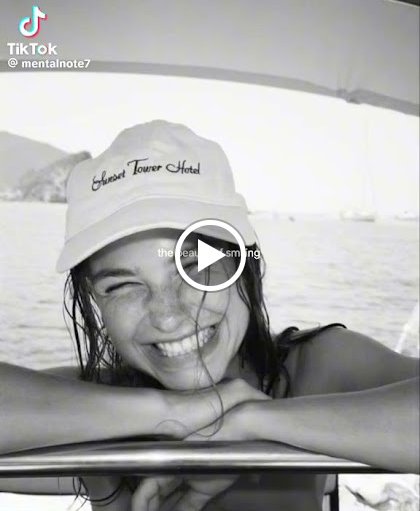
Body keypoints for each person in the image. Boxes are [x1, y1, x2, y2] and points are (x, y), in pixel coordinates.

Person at [0, 120, 418, 511]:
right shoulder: (89, 404)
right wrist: (172, 413)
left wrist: (252, 421)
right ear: (96, 304)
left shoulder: (318, 369)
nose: (167, 316)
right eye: (122, 285)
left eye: (196, 265)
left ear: (246, 265)